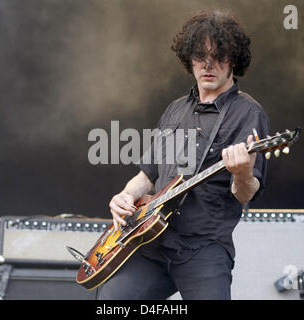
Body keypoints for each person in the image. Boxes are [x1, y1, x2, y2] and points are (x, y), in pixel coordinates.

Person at [98, 10, 269, 300]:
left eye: (219, 56)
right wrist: (125, 196)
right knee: (112, 300)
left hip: (204, 248)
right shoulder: (176, 109)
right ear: (188, 58)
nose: (208, 64)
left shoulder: (249, 113)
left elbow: (246, 194)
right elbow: (148, 176)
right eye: (200, 55)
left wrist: (242, 173)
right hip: (152, 242)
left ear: (234, 60)